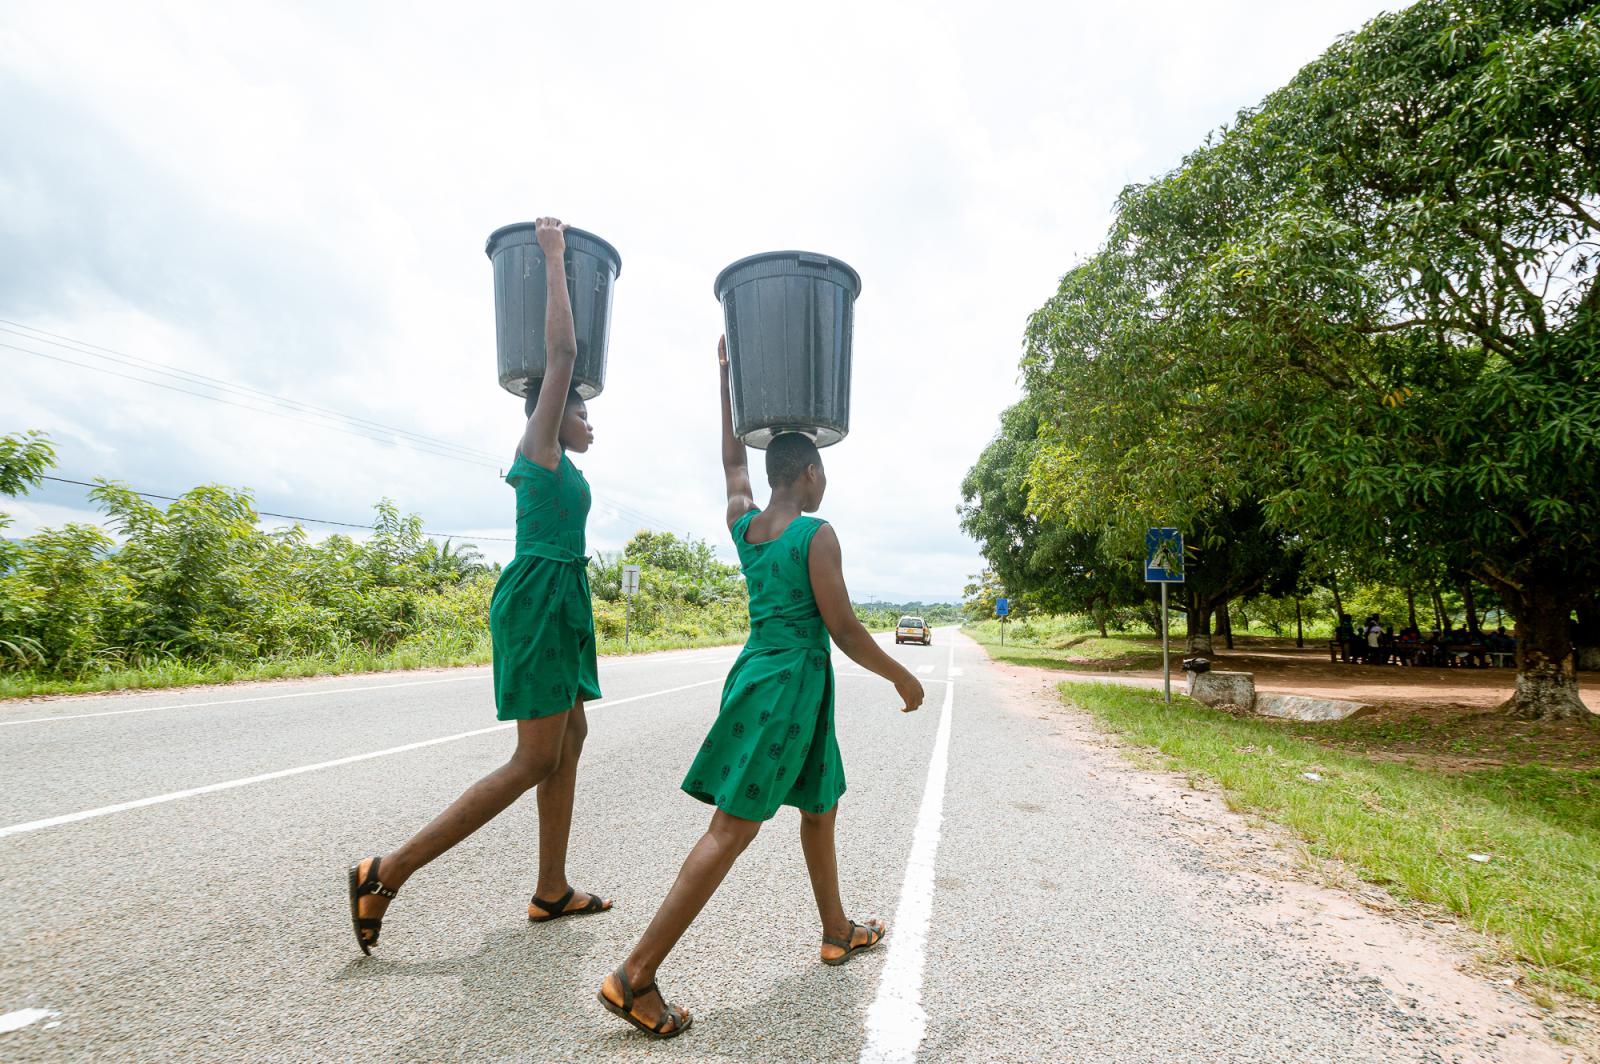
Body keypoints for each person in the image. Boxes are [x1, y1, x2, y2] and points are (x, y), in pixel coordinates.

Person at [595, 336, 926, 1039]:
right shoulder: (816, 534)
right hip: (789, 685)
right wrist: (900, 671)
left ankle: (837, 929)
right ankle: (635, 975)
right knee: (731, 830)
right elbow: (842, 629)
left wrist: (725, 384)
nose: (824, 485)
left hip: (764, 675)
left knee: (820, 804)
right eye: (822, 474)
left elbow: (729, 464)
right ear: (807, 474)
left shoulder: (744, 523)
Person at [346, 217, 611, 954]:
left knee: (572, 737)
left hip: (562, 602)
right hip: (537, 603)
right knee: (534, 758)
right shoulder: (539, 447)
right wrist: (554, 259)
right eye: (581, 410)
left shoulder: (569, 472)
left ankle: (551, 888)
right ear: (555, 414)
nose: (591, 421)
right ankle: (385, 872)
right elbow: (561, 352)